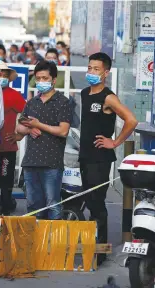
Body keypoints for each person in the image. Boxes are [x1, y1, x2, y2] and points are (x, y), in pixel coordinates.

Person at [79, 52, 137, 265]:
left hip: (100, 159)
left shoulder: (109, 97)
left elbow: (131, 120)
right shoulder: (85, 93)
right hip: (84, 156)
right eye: (89, 68)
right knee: (89, 203)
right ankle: (90, 247)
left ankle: (101, 252)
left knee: (97, 204)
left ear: (106, 72)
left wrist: (115, 142)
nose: (92, 72)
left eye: (96, 69)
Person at [15, 61, 73, 220]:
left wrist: (38, 124)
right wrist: (29, 129)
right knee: (33, 206)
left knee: (52, 204)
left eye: (45, 78)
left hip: (51, 163)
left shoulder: (63, 102)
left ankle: (54, 243)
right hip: (31, 162)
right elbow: (19, 128)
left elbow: (63, 131)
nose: (41, 82)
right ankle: (36, 242)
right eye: (38, 78)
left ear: (54, 80)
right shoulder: (32, 102)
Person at [0, 60, 26, 215]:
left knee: (6, 181)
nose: (2, 77)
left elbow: (28, 116)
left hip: (7, 146)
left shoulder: (14, 95)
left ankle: (5, 208)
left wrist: (19, 134)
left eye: (4, 75)